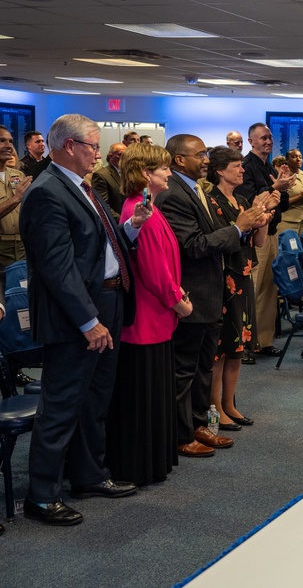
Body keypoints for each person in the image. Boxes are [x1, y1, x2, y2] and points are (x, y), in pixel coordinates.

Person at [19, 114, 152, 526]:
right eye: (93, 145)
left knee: (95, 399)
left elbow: (99, 246)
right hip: (76, 317)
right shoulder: (47, 192)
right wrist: (88, 321)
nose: (99, 152)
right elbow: (59, 270)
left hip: (106, 304)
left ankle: (89, 474)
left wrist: (131, 227)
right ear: (68, 146)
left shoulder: (81, 186)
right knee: (61, 407)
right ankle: (41, 495)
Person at [157, 134, 267, 458]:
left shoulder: (195, 190)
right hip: (194, 291)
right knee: (186, 370)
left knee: (204, 366)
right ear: (179, 160)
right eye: (200, 154)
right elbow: (193, 246)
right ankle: (181, 435)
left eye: (206, 154)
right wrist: (237, 229)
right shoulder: (174, 194)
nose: (206, 160)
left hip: (212, 291)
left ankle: (198, 423)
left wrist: (243, 226)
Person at [106, 143, 191, 487]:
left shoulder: (149, 207)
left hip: (154, 316)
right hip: (146, 318)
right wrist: (178, 301)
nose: (169, 173)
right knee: (143, 396)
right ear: (145, 174)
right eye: (163, 168)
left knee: (153, 393)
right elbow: (153, 270)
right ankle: (140, 464)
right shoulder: (137, 209)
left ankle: (153, 461)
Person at [206, 147, 273, 430]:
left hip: (243, 273)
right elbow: (224, 237)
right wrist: (244, 223)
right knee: (220, 347)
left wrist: (264, 217)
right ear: (220, 170)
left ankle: (230, 403)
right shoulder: (212, 200)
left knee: (237, 345)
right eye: (236, 166)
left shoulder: (243, 199)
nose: (242, 170)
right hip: (223, 276)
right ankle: (215, 406)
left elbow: (258, 242)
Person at [236, 123, 293, 358]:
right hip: (254, 236)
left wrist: (284, 188)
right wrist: (274, 186)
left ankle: (264, 341)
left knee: (270, 290)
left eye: (270, 137)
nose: (268, 141)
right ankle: (247, 345)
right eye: (263, 138)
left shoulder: (270, 166)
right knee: (253, 289)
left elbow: (283, 204)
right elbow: (249, 200)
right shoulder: (246, 167)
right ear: (251, 141)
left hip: (272, 232)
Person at [0, 127, 33, 387]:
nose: (8, 145)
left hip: (20, 249)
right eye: (1, 141)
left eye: (10, 141)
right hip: (0, 250)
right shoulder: (18, 186)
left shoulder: (16, 175)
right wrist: (18, 197)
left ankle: (14, 367)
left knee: (17, 314)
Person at [276, 149, 303, 236]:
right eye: (294, 157)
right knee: (288, 248)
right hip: (288, 221)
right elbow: (278, 202)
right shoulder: (282, 177)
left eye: (300, 157)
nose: (298, 159)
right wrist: (300, 196)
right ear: (287, 160)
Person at [91, 142, 127, 220]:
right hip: (117, 223)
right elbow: (102, 205)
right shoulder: (101, 175)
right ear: (111, 156)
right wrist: (121, 220)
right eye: (120, 155)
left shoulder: (129, 173)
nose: (125, 158)